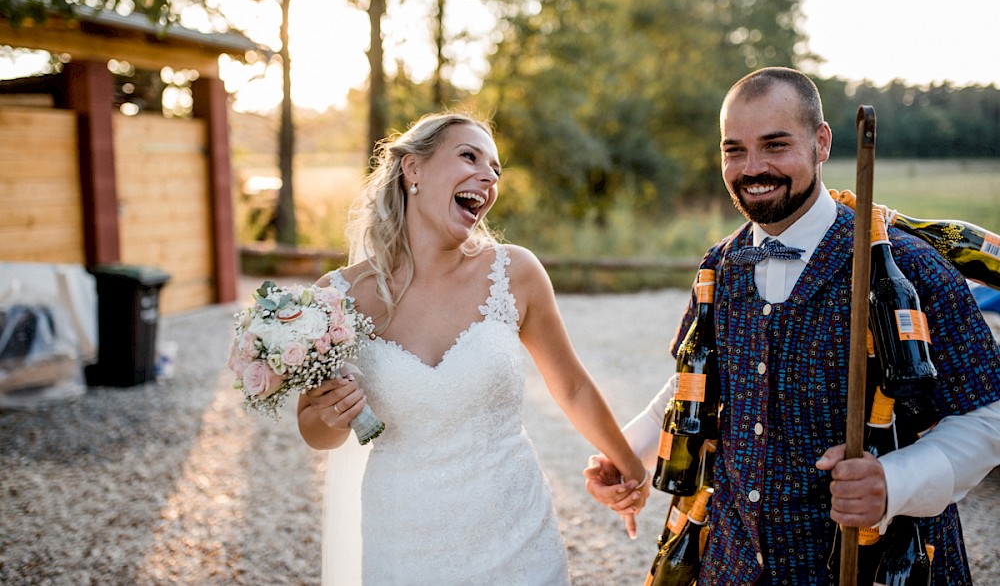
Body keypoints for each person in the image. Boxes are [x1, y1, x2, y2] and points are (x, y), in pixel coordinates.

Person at [584, 67, 1000, 584]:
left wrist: (894, 481)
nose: (752, 168)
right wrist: (628, 453)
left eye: (775, 145)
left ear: (821, 143)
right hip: (731, 564)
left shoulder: (908, 266)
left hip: (877, 563)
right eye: (733, 150)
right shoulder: (718, 268)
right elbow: (694, 381)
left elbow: (988, 413)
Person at [296, 112, 650, 585]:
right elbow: (316, 432)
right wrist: (329, 414)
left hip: (516, 534)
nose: (487, 176)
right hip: (402, 538)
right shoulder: (337, 296)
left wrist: (631, 469)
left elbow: (573, 387)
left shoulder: (516, 273)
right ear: (413, 170)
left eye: (495, 169)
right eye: (469, 156)